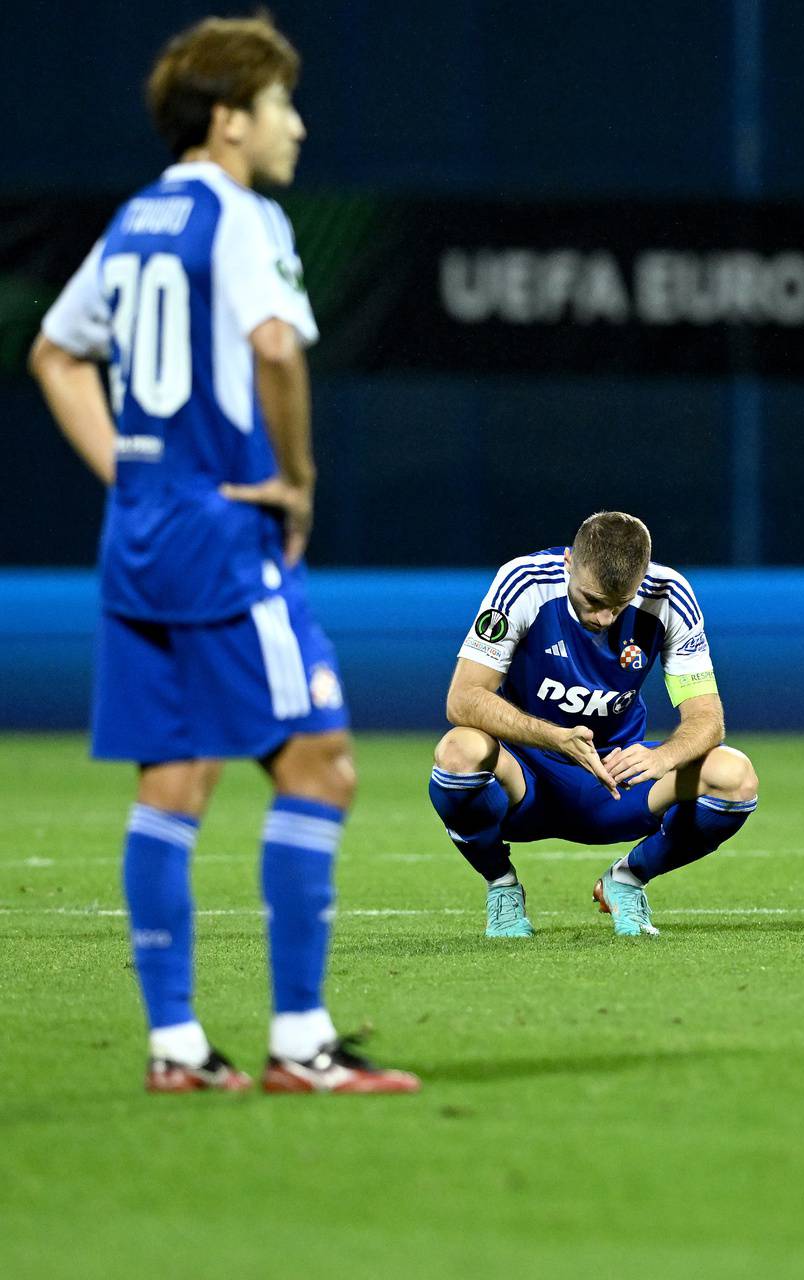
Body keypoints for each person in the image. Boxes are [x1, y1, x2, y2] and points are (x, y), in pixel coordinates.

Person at [28, 16, 415, 1093]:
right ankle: (303, 1040)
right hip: (225, 542)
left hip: (141, 535)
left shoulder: (138, 217)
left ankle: (179, 1048)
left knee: (174, 778)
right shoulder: (238, 216)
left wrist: (128, 469)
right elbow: (277, 345)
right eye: (282, 104)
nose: (297, 123)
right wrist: (297, 478)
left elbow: (55, 353)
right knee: (321, 763)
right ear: (230, 119)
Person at [428, 511, 760, 938]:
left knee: (735, 776)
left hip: (615, 778)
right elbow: (463, 698)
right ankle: (501, 886)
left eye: (617, 605)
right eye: (592, 599)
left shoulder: (669, 594)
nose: (603, 617)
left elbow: (707, 717)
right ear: (568, 562)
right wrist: (553, 736)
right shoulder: (524, 582)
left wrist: (664, 757)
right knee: (459, 750)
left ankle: (627, 880)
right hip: (526, 781)